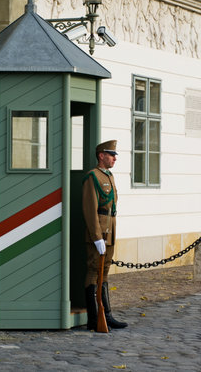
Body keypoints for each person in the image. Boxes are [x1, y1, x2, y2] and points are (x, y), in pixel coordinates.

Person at [82, 140, 128, 331]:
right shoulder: (92, 176)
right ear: (101, 155)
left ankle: (106, 315)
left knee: (105, 270)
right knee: (94, 270)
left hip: (110, 229)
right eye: (111, 154)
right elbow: (90, 209)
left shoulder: (109, 176)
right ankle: (94, 317)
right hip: (99, 232)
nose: (114, 158)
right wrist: (96, 236)